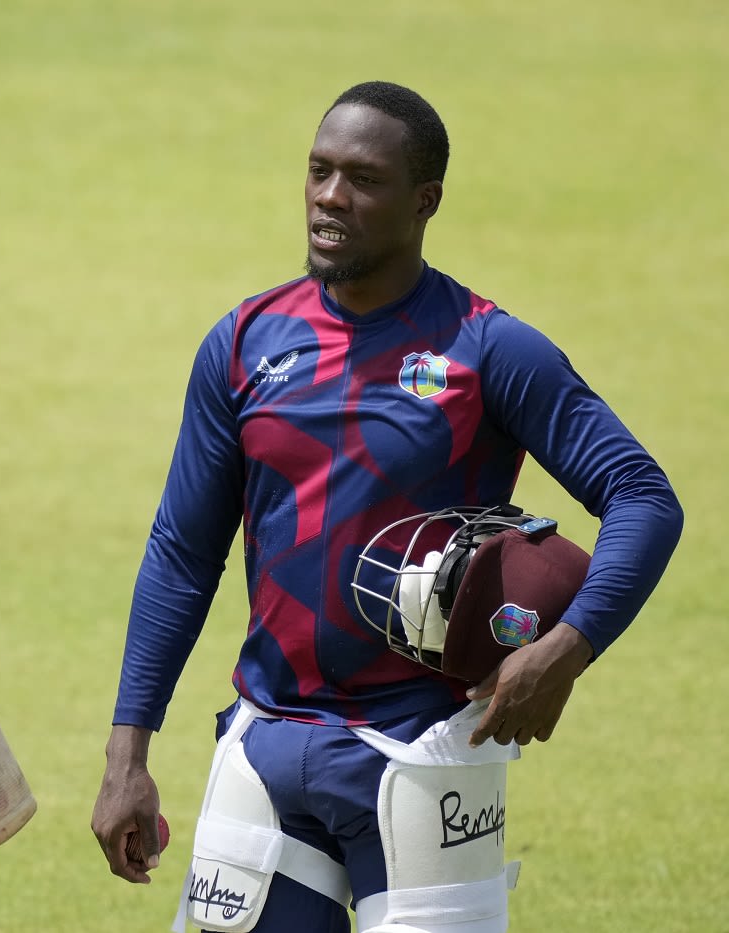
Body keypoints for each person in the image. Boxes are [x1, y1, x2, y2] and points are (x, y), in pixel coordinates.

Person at [90, 81, 682, 932]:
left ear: (425, 201)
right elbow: (182, 553)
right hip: (267, 750)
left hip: (428, 757)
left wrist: (566, 647)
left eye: (363, 180)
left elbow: (643, 497)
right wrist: (126, 754)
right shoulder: (245, 342)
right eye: (319, 172)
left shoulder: (487, 348)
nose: (331, 197)